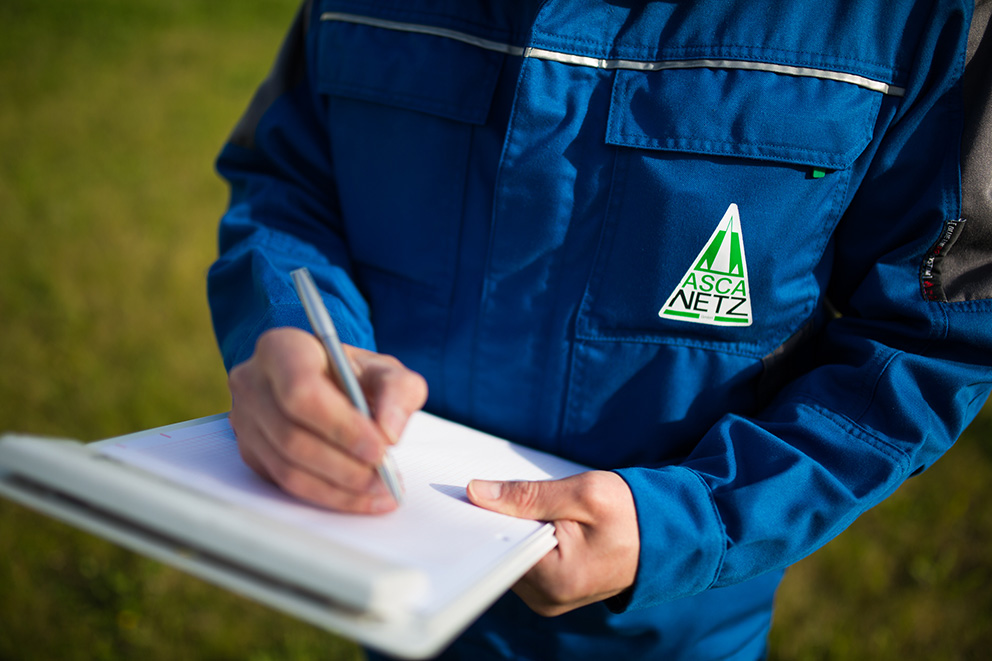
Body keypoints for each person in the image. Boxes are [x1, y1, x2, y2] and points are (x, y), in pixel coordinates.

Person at [207, 0, 992, 658]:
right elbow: (289, 180)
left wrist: (692, 522)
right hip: (390, 588)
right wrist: (292, 325)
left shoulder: (924, 16)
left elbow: (932, 337)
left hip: (672, 629)